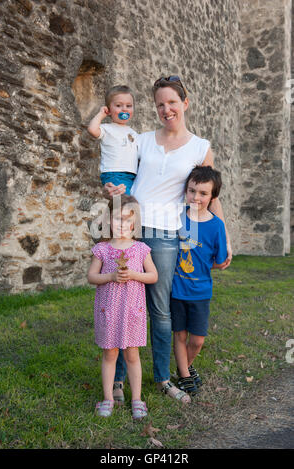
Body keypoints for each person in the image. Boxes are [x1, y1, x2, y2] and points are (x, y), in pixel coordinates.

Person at [104, 76, 232, 405]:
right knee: (123, 307)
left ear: (185, 103)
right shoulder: (141, 139)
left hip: (165, 235)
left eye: (172, 102)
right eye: (160, 104)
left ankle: (162, 378)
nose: (166, 109)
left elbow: (210, 195)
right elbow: (122, 176)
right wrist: (113, 188)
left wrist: (225, 235)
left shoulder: (199, 147)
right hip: (128, 232)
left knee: (160, 312)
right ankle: (117, 379)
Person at [87, 195, 158, 418]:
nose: (122, 225)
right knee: (109, 354)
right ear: (108, 220)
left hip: (132, 312)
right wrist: (110, 276)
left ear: (135, 223)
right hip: (109, 311)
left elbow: (153, 276)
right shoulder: (103, 249)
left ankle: (137, 399)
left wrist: (134, 274)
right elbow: (91, 277)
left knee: (132, 355)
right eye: (117, 219)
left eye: (128, 220)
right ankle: (108, 397)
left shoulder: (141, 249)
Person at [171, 165, 227, 395]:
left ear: (213, 197)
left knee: (197, 340)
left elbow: (220, 260)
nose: (196, 197)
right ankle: (184, 376)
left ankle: (184, 367)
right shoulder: (176, 218)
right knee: (180, 334)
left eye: (203, 193)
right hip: (176, 290)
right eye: (192, 191)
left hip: (201, 291)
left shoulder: (216, 226)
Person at [87, 85, 138, 195]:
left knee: (130, 206)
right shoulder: (107, 128)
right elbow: (92, 129)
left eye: (128, 106)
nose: (124, 109)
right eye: (118, 105)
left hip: (132, 175)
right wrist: (101, 114)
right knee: (123, 203)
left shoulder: (134, 133)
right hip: (114, 174)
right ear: (109, 110)